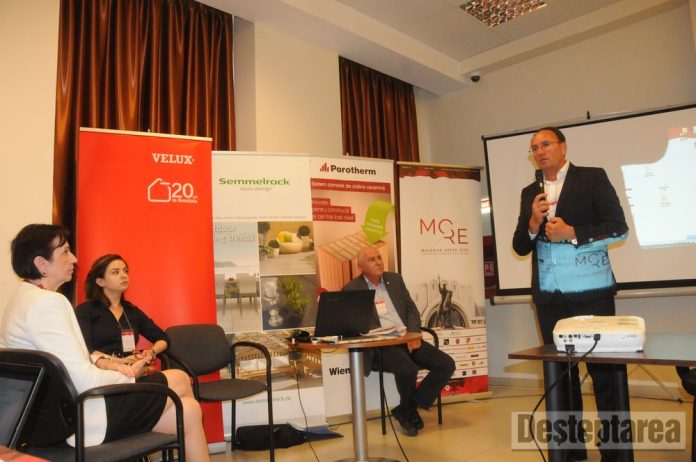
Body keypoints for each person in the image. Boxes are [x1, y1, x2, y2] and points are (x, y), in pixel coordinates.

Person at [0, 224, 210, 461]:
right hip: (80, 419)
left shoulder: (23, 298)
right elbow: (84, 380)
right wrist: (130, 374)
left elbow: (68, 357)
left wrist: (106, 362)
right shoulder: (48, 303)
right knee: (179, 378)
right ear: (42, 264)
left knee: (190, 411)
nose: (74, 258)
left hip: (48, 421)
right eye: (65, 252)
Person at [513, 127, 629, 461]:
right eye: (534, 147)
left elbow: (618, 228)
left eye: (545, 144)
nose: (539, 151)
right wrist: (532, 224)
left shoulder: (592, 178)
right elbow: (520, 245)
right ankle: (570, 448)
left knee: (605, 374)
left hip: (591, 293)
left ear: (563, 147)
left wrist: (573, 232)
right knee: (561, 377)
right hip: (549, 297)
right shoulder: (529, 192)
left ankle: (614, 448)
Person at [343, 247, 455, 437]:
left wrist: (413, 333)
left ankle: (407, 408)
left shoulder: (394, 280)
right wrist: (382, 335)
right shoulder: (352, 289)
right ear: (360, 266)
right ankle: (409, 411)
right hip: (382, 344)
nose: (378, 262)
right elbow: (356, 323)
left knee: (446, 364)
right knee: (407, 369)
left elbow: (411, 309)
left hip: (407, 337)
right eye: (372, 259)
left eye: (379, 257)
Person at [76, 254, 169, 364]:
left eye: (125, 271)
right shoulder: (85, 311)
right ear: (101, 282)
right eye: (116, 272)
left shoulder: (132, 311)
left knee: (178, 373)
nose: (124, 276)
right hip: (102, 370)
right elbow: (86, 350)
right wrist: (121, 362)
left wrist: (151, 352)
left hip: (132, 369)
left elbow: (163, 338)